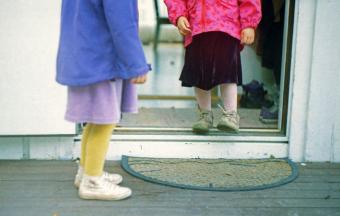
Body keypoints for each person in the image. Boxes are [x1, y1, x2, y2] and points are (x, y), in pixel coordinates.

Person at [56, 0, 150, 200]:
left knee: (94, 119)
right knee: (105, 121)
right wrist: (137, 64)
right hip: (101, 58)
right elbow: (122, 24)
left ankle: (87, 171)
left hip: (85, 54)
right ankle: (92, 181)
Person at [164, 0, 262, 134]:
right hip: (196, 26)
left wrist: (249, 23)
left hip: (227, 25)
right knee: (199, 75)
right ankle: (205, 115)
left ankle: (230, 114)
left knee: (227, 72)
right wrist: (179, 15)